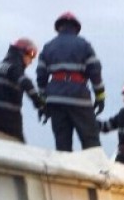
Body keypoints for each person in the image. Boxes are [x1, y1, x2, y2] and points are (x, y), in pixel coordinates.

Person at [36, 12, 105, 151]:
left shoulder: (48, 46)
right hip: (79, 98)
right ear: (76, 28)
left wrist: (43, 103)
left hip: (55, 100)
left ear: (59, 27)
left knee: (62, 146)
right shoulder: (84, 45)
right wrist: (100, 96)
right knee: (91, 142)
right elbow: (95, 72)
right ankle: (95, 171)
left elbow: (41, 76)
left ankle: (64, 171)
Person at [0, 38, 46, 142]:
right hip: (9, 117)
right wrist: (40, 103)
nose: (31, 61)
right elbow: (26, 83)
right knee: (19, 148)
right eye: (31, 55)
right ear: (22, 52)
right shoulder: (15, 66)